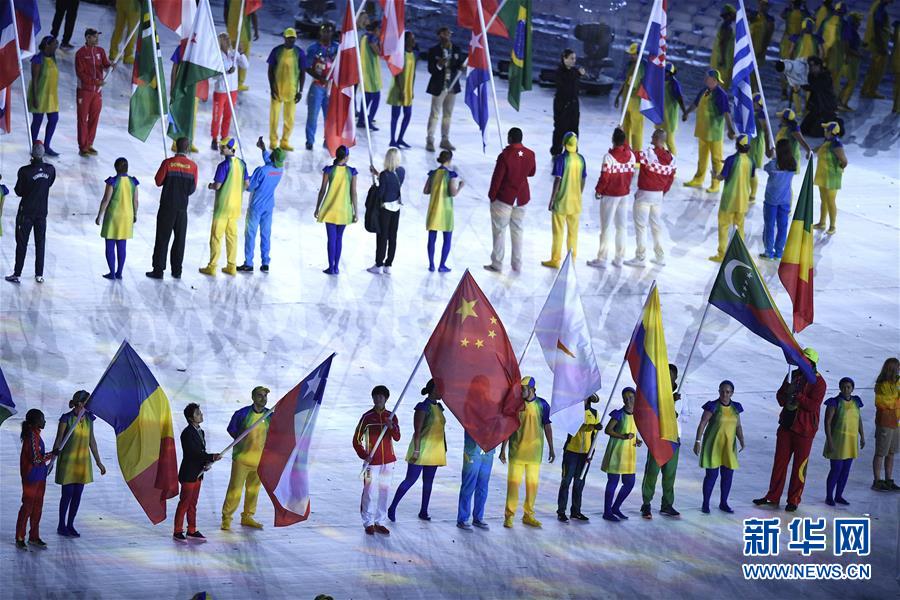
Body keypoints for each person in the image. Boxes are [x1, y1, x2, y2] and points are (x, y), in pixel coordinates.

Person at [753, 347, 827, 511]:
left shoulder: (819, 383)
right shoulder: (792, 375)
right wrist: (786, 393)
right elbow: (780, 397)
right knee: (779, 463)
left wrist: (798, 396)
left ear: (813, 364)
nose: (802, 364)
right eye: (801, 360)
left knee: (799, 467)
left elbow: (813, 406)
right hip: (786, 426)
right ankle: (773, 496)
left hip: (805, 430)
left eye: (806, 361)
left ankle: (794, 499)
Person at [387, 379, 447, 522]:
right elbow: (418, 431)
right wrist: (417, 450)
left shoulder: (439, 407)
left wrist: (444, 447)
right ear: (433, 390)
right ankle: (393, 507)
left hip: (435, 451)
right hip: (422, 449)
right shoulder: (423, 407)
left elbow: (441, 430)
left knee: (428, 482)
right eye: (440, 389)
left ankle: (424, 511)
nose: (442, 392)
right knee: (410, 480)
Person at [500, 376, 554, 528]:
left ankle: (528, 515)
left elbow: (547, 426)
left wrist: (551, 447)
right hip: (517, 452)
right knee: (513, 486)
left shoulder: (542, 405)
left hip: (534, 453)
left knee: (532, 486)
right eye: (520, 388)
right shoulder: (516, 405)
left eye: (524, 388)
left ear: (532, 389)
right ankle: (509, 516)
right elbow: (509, 428)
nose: (521, 391)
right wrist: (503, 449)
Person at [52, 390, 105, 537]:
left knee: (77, 494)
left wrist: (98, 462)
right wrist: (52, 458)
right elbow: (59, 439)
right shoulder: (66, 419)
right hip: (68, 462)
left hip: (82, 463)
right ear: (80, 403)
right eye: (87, 402)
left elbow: (92, 441)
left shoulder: (88, 419)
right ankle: (61, 525)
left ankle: (70, 524)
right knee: (67, 494)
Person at [484, 127, 536, 273]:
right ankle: (517, 263)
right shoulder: (530, 154)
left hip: (504, 199)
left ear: (510, 138)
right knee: (518, 231)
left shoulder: (505, 156)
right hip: (521, 199)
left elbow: (497, 179)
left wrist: (492, 196)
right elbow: (531, 172)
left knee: (500, 231)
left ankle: (497, 263)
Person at [146, 138, 198, 279]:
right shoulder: (193, 166)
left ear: (175, 147)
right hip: (182, 208)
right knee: (180, 240)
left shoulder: (168, 163)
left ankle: (158, 270)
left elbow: (158, 181)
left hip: (167, 207)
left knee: (162, 238)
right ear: (187, 149)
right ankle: (177, 271)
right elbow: (192, 189)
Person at [624, 128, 675, 268]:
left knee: (641, 227)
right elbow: (670, 179)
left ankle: (640, 258)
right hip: (658, 196)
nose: (651, 138)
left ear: (657, 139)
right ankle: (660, 256)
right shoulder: (671, 159)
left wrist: (623, 137)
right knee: (656, 227)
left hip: (644, 195)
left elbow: (631, 154)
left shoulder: (648, 154)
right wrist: (662, 192)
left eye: (653, 136)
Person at [6, 142, 56, 285]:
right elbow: (49, 183)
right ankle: (39, 274)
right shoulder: (50, 170)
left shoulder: (24, 171)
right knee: (40, 243)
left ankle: (17, 273)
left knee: (22, 243)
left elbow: (18, 191)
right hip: (42, 212)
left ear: (32, 154)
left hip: (26, 212)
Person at [221, 387, 271, 531]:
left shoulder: (269, 415)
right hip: (241, 460)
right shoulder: (242, 414)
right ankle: (226, 518)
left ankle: (247, 516)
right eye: (260, 396)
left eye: (265, 396)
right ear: (253, 397)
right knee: (235, 490)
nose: (263, 399)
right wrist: (242, 441)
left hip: (259, 461)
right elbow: (232, 429)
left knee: (253, 490)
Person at [353, 385, 400, 535]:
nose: (378, 399)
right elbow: (356, 440)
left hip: (388, 462)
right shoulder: (367, 417)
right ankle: (367, 522)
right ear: (373, 398)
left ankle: (380, 521)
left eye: (381, 396)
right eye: (376, 396)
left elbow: (397, 437)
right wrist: (364, 454)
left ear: (386, 398)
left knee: (384, 491)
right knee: (368, 491)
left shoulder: (391, 415)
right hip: (371, 463)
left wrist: (391, 426)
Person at [694, 381, 745, 513]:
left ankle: (724, 502)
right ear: (719, 391)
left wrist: (742, 440)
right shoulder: (712, 406)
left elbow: (738, 426)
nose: (724, 394)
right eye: (722, 391)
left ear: (732, 393)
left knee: (727, 476)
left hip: (728, 448)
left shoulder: (735, 408)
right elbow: (703, 423)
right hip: (713, 447)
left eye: (728, 392)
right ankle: (705, 503)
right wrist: (698, 441)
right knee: (711, 476)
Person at [588, 127, 635, 269]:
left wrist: (598, 190)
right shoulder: (631, 156)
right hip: (624, 195)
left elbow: (605, 177)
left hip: (610, 196)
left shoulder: (608, 158)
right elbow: (627, 149)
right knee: (621, 227)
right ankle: (619, 258)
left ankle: (602, 258)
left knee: (606, 227)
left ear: (612, 140)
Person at [201, 138, 248, 277]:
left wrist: (210, 186)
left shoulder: (223, 166)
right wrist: (237, 192)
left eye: (223, 147)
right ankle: (231, 266)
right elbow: (246, 183)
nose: (221, 150)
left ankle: (212, 266)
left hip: (222, 208)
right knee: (232, 237)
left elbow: (217, 185)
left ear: (231, 149)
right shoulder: (242, 164)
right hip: (235, 207)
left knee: (216, 237)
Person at [237, 138, 286, 273]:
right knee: (266, 234)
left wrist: (245, 175)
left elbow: (249, 187)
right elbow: (269, 162)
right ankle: (265, 262)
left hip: (256, 206)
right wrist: (263, 149)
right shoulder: (280, 170)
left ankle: (248, 262)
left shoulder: (261, 170)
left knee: (250, 234)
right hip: (269, 206)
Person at [683, 69, 735, 193]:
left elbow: (726, 112)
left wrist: (730, 129)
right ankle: (698, 179)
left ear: (714, 80)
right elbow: (695, 104)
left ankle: (715, 183)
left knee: (716, 160)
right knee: (702, 158)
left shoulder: (720, 94)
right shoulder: (704, 91)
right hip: (703, 131)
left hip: (714, 133)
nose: (705, 79)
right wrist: (687, 112)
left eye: (708, 77)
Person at [174, 403, 221, 542]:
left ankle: (192, 529)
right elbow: (192, 454)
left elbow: (201, 453)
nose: (201, 415)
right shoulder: (187, 433)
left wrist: (206, 463)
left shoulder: (201, 431)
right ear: (190, 418)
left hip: (198, 474)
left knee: (193, 503)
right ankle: (177, 530)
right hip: (189, 474)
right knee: (185, 503)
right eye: (198, 413)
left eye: (200, 412)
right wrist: (211, 457)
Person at [640, 364, 682, 519]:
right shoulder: (656, 393)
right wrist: (670, 402)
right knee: (652, 472)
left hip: (673, 439)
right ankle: (646, 503)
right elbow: (653, 413)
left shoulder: (681, 395)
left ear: (675, 377)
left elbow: (681, 417)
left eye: (671, 375)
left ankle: (667, 504)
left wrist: (674, 410)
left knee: (670, 475)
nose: (668, 378)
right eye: (666, 374)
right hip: (658, 439)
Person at [542, 132, 585, 269]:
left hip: (561, 202)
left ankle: (555, 260)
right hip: (575, 203)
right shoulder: (581, 159)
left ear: (564, 143)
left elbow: (558, 180)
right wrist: (579, 193)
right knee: (573, 233)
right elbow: (583, 179)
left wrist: (552, 199)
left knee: (558, 232)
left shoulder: (561, 159)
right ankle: (571, 259)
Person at [709, 135, 755, 263]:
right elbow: (749, 175)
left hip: (728, 200)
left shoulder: (731, 159)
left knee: (723, 226)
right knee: (739, 227)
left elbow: (722, 177)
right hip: (743, 200)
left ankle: (722, 254)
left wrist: (714, 175)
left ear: (736, 145)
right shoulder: (751, 162)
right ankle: (739, 255)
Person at [315, 145, 359, 275]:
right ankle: (336, 267)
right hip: (344, 210)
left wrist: (317, 207)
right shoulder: (352, 172)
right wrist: (356, 212)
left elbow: (322, 190)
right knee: (339, 238)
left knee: (331, 239)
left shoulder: (329, 170)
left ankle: (330, 267)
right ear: (346, 157)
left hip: (330, 209)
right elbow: (354, 193)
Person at [16, 409, 56, 550]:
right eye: (42, 418)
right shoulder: (31, 437)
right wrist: (52, 454)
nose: (44, 421)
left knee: (37, 508)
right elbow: (36, 459)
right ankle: (20, 537)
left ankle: (34, 536)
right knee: (27, 507)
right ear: (35, 422)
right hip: (31, 477)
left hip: (40, 476)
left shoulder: (37, 435)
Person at [557, 394, 600, 522]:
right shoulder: (572, 412)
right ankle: (561, 511)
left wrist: (591, 453)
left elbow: (595, 436)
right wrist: (591, 427)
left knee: (579, 483)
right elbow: (575, 428)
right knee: (566, 482)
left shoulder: (594, 413)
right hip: (571, 451)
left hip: (585, 454)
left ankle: (576, 511)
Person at [601, 388, 642, 522]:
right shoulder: (619, 414)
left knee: (629, 482)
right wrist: (623, 436)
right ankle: (607, 511)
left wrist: (636, 440)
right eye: (625, 397)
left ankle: (615, 508)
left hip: (629, 454)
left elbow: (632, 431)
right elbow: (608, 430)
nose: (628, 400)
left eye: (630, 397)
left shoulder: (637, 415)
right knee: (613, 481)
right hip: (616, 452)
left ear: (636, 398)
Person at [95, 157, 138, 280]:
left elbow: (106, 200)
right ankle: (119, 272)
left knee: (110, 245)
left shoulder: (112, 182)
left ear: (115, 168)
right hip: (127, 217)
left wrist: (99, 216)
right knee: (122, 245)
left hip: (113, 217)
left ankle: (112, 272)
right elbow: (135, 200)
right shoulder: (133, 182)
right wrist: (135, 214)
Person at [823, 377, 864, 505]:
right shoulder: (834, 402)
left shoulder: (856, 402)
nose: (846, 389)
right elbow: (827, 422)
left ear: (852, 388)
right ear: (840, 388)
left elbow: (859, 420)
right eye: (844, 387)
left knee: (845, 471)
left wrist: (862, 435)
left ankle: (839, 495)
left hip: (851, 441)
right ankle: (829, 496)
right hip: (838, 441)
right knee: (836, 469)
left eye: (849, 387)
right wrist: (829, 440)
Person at [425, 27, 465, 152]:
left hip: (452, 86)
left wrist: (463, 67)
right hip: (439, 86)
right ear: (439, 35)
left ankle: (445, 139)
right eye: (444, 33)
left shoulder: (456, 49)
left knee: (448, 115)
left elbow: (459, 65)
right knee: (435, 113)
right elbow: (431, 70)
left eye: (449, 33)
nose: (447, 35)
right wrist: (439, 65)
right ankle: (430, 139)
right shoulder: (434, 50)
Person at [367, 147, 405, 274]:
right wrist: (378, 175)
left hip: (385, 210)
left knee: (382, 237)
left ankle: (378, 264)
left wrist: (376, 186)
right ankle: (388, 265)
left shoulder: (384, 175)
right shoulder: (401, 172)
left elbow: (381, 194)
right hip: (397, 209)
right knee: (393, 237)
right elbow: (393, 183)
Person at [424, 150, 462, 273]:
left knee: (431, 238)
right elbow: (452, 193)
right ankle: (442, 265)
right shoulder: (450, 175)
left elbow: (426, 190)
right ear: (449, 160)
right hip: (446, 211)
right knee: (447, 239)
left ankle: (431, 264)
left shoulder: (433, 173)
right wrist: (461, 186)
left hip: (434, 209)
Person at [75, 29, 112, 157]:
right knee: (82, 119)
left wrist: (111, 65)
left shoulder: (100, 51)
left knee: (94, 118)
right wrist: (95, 82)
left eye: (97, 37)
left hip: (97, 92)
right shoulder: (80, 53)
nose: (97, 39)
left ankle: (89, 144)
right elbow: (80, 74)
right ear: (87, 38)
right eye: (94, 37)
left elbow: (105, 64)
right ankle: (83, 146)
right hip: (84, 91)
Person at [267, 28, 306, 151]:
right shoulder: (276, 51)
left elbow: (302, 73)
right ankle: (273, 141)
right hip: (277, 91)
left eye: (293, 38)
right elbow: (270, 71)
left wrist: (300, 91)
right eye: (288, 38)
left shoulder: (299, 53)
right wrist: (272, 88)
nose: (291, 40)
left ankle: (285, 141)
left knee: (290, 119)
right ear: (284, 38)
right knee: (274, 118)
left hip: (292, 91)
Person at [759, 138, 797, 261]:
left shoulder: (773, 165)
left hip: (771, 200)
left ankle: (769, 252)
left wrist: (774, 157)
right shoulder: (793, 164)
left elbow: (765, 168)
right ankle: (779, 252)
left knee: (769, 226)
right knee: (782, 226)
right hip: (785, 200)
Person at [211, 32, 249, 150]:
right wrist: (227, 72)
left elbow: (245, 65)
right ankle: (214, 138)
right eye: (224, 39)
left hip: (232, 90)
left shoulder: (234, 54)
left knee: (228, 115)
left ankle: (224, 137)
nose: (227, 41)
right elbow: (214, 76)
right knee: (217, 116)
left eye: (228, 38)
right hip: (221, 91)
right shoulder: (216, 56)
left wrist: (241, 53)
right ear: (220, 42)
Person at [305, 23, 339, 150]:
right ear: (320, 32)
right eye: (324, 31)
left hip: (331, 86)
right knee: (313, 115)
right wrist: (320, 78)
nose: (327, 34)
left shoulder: (337, 48)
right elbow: (307, 67)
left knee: (329, 116)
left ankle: (328, 140)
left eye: (329, 31)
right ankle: (309, 141)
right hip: (317, 86)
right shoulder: (313, 48)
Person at [812, 121, 847, 234]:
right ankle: (822, 223)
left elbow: (844, 161)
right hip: (823, 175)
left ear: (832, 131)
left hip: (831, 177)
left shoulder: (836, 144)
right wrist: (811, 150)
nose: (824, 131)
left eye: (826, 129)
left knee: (831, 201)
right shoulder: (827, 141)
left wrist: (838, 169)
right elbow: (820, 148)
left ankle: (832, 226)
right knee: (823, 201)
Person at [29, 36, 61, 156]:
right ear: (47, 45)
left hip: (52, 96)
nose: (56, 47)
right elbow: (35, 80)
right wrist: (35, 97)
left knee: (53, 119)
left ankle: (46, 146)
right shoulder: (38, 59)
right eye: (54, 45)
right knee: (37, 121)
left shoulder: (53, 58)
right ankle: (32, 145)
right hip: (40, 95)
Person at [457, 431, 494, 531]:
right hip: (472, 451)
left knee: (483, 487)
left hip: (488, 452)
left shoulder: (494, 415)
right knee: (469, 486)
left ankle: (478, 517)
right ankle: (462, 519)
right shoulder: (472, 415)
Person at [550, 49, 584, 156]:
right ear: (564, 58)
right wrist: (577, 74)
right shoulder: (559, 72)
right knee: (560, 128)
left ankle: (572, 149)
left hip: (574, 105)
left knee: (574, 128)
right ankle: (556, 151)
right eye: (571, 58)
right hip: (562, 105)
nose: (574, 61)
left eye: (575, 58)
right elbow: (564, 86)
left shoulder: (574, 72)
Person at [386, 31, 416, 148]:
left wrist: (411, 89)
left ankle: (400, 138)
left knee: (408, 115)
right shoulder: (400, 54)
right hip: (398, 89)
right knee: (395, 115)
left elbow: (413, 74)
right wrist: (401, 90)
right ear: (406, 40)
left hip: (407, 90)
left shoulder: (412, 54)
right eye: (411, 38)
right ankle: (392, 139)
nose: (413, 41)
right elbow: (397, 74)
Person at [873, 357, 899, 491]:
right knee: (881, 452)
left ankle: (889, 479)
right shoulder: (882, 385)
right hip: (885, 422)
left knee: (891, 452)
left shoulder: (896, 383)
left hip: (895, 422)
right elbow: (887, 403)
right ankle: (877, 480)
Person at [860, 0, 892, 99]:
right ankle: (870, 91)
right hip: (879, 44)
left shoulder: (876, 5)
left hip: (875, 42)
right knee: (878, 70)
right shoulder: (880, 7)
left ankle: (866, 89)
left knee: (873, 69)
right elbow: (877, 26)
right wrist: (881, 45)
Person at [800, 56, 840, 136]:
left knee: (815, 133)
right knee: (803, 130)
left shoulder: (825, 77)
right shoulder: (812, 75)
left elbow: (813, 87)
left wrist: (800, 82)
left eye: (812, 65)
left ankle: (836, 123)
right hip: (816, 109)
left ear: (818, 66)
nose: (810, 68)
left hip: (827, 109)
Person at [616, 43, 645, 151]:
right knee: (626, 128)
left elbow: (634, 83)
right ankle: (626, 151)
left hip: (636, 102)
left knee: (636, 130)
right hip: (627, 101)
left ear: (639, 54)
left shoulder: (640, 66)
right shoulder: (631, 65)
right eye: (630, 54)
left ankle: (637, 154)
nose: (631, 56)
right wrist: (618, 96)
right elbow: (626, 82)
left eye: (633, 54)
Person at [225, 0, 259, 92]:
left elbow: (226, 11)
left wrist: (228, 27)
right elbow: (253, 13)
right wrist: (256, 30)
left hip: (231, 31)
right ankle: (239, 83)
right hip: (243, 33)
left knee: (231, 57)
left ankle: (230, 79)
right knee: (243, 57)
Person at [357, 21, 383, 131]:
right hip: (371, 73)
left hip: (364, 71)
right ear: (376, 29)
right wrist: (381, 43)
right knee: (376, 98)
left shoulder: (363, 37)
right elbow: (379, 52)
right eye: (380, 29)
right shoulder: (372, 38)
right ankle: (369, 120)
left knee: (366, 97)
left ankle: (361, 120)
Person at [837, 12, 864, 111]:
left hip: (852, 59)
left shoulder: (852, 31)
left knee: (850, 81)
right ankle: (842, 102)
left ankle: (840, 101)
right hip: (850, 60)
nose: (860, 24)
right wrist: (858, 54)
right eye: (858, 22)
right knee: (852, 81)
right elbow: (847, 48)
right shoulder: (849, 31)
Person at [819, 2, 847, 89]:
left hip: (824, 53)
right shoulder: (844, 24)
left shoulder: (826, 20)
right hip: (836, 56)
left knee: (821, 77)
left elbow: (818, 36)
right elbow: (847, 41)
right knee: (834, 80)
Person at [660, 63, 686, 156]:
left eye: (667, 72)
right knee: (659, 139)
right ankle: (661, 159)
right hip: (661, 115)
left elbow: (680, 98)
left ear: (671, 73)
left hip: (670, 117)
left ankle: (673, 161)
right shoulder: (661, 81)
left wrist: (684, 112)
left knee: (669, 141)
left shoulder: (674, 83)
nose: (665, 74)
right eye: (665, 71)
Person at [774, 108, 811, 173]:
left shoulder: (793, 129)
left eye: (781, 117)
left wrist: (808, 150)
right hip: (783, 159)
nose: (780, 119)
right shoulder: (783, 127)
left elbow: (801, 140)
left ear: (785, 119)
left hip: (790, 161)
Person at [710, 5, 736, 89]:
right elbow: (723, 44)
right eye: (733, 14)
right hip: (724, 59)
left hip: (721, 57)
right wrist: (722, 58)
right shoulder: (727, 28)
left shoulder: (724, 26)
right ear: (728, 15)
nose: (735, 16)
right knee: (721, 82)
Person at [108, 0, 138, 65]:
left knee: (119, 27)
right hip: (134, 4)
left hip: (121, 2)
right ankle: (128, 55)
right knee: (132, 30)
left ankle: (113, 53)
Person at [749, 0, 776, 65]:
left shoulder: (769, 21)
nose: (761, 6)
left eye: (764, 5)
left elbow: (767, 38)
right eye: (760, 3)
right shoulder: (753, 16)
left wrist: (762, 51)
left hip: (758, 51)